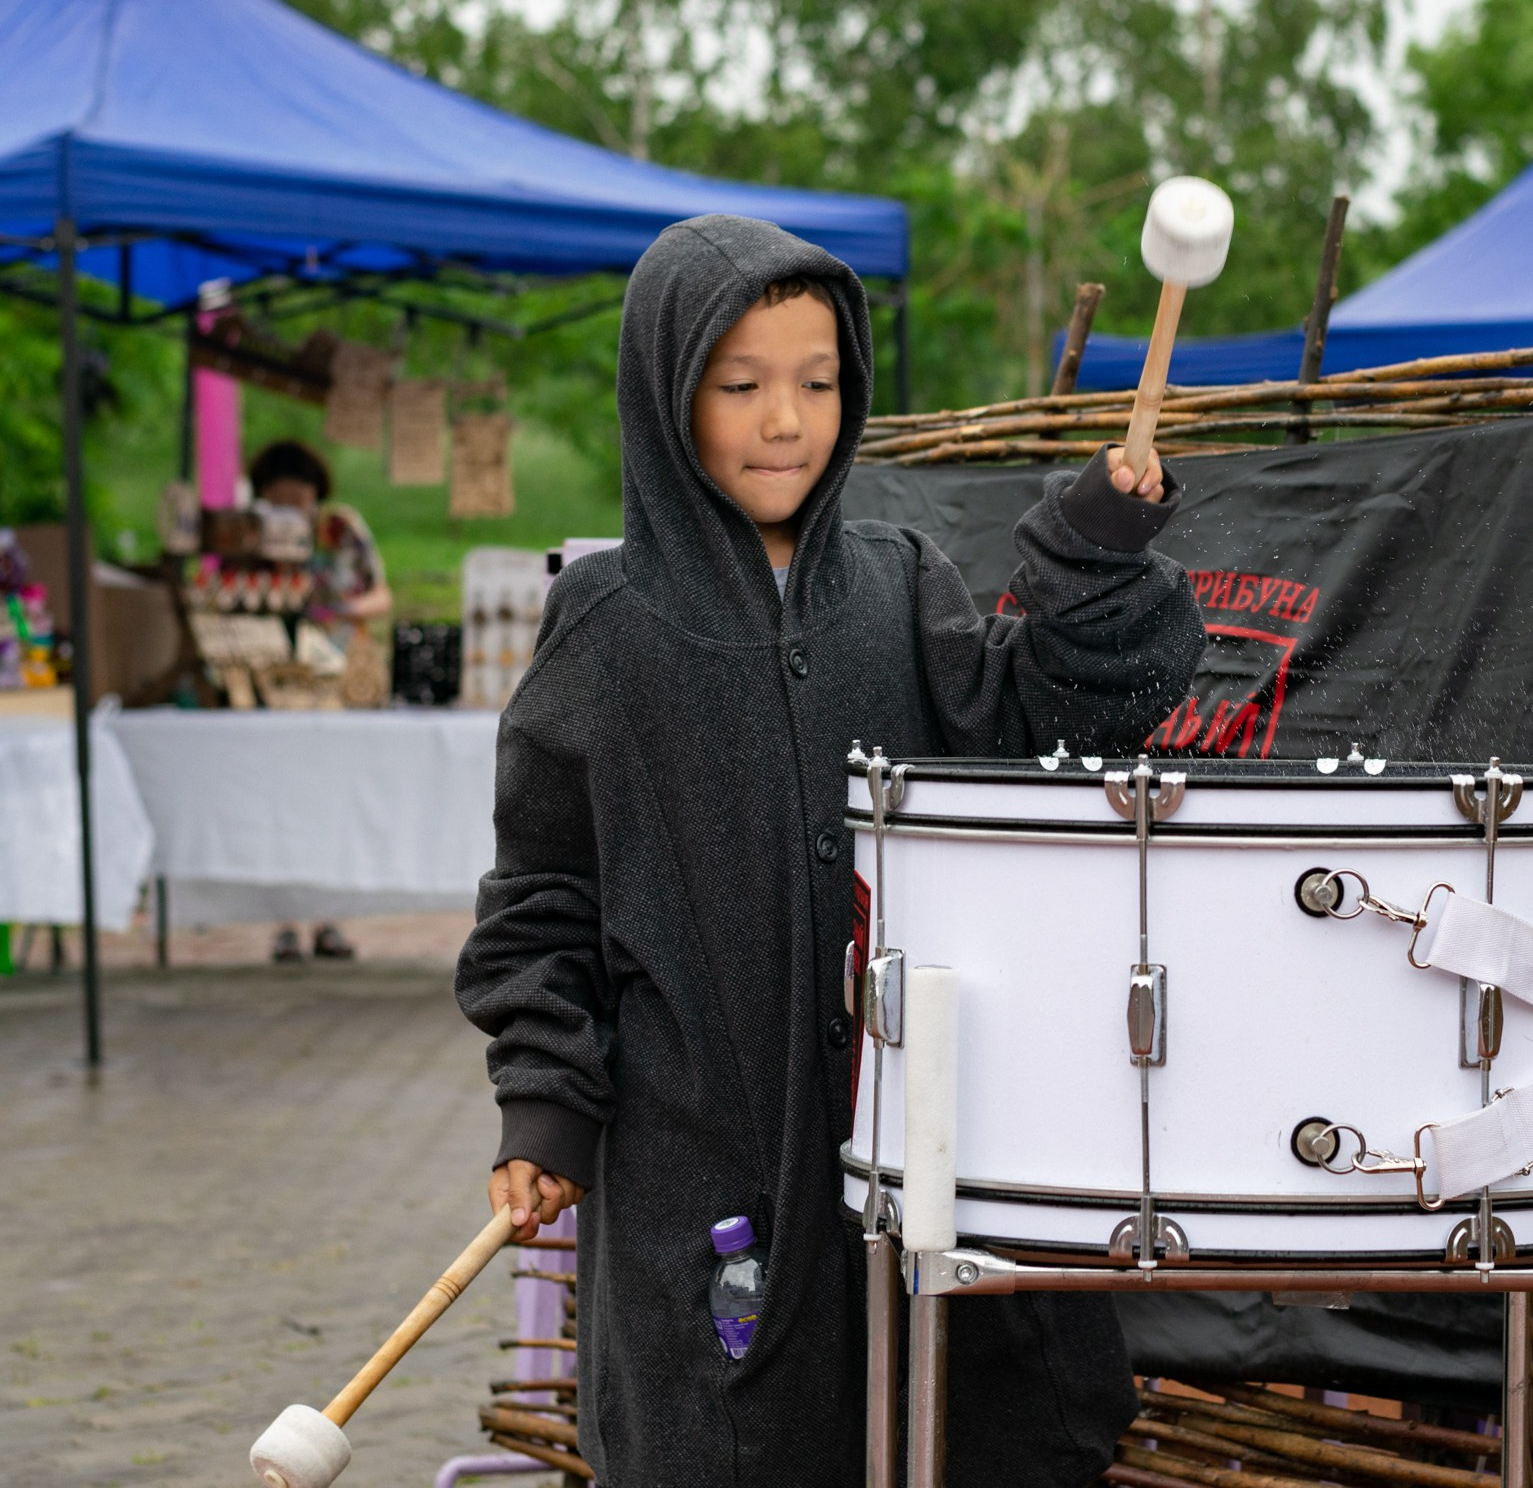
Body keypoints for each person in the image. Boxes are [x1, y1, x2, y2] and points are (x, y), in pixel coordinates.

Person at [454, 215, 1206, 1486]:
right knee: (729, 1438)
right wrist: (545, 1103)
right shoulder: (608, 631)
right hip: (704, 1156)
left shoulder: (901, 586)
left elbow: (1039, 723)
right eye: (741, 386)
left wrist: (1094, 544)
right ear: (665, 394)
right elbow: (542, 897)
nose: (787, 419)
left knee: (958, 1433)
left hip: (922, 1150)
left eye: (818, 381)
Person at [247, 439, 392, 963]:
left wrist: (342, 610)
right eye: (279, 499)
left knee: (334, 794)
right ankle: (285, 922)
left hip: (339, 680)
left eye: (299, 497)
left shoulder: (341, 528)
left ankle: (331, 919)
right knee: (281, 796)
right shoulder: (249, 536)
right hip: (277, 679)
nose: (291, 509)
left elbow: (382, 593)